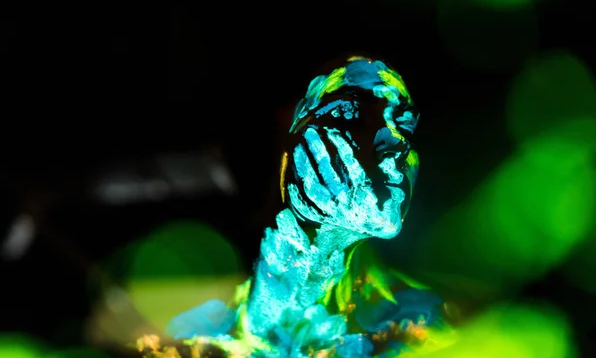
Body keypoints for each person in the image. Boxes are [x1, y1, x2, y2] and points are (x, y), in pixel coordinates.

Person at [137, 57, 453, 357]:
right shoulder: (185, 339)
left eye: (403, 122)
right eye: (349, 112)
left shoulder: (428, 328)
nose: (395, 140)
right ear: (281, 141)